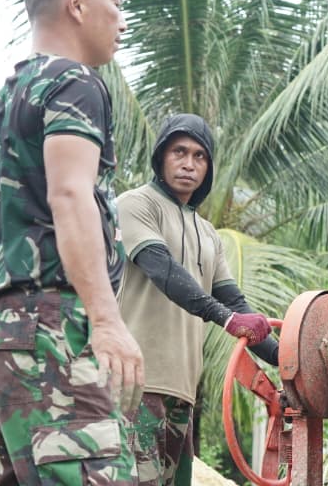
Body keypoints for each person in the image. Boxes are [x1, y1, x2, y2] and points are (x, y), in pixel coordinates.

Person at [0, 0, 141, 485]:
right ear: (77, 5)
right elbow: (70, 194)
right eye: (116, 3)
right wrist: (106, 320)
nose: (122, 21)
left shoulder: (4, 99)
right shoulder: (73, 83)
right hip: (44, 323)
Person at [117, 113, 279, 486]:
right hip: (135, 388)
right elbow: (163, 271)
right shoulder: (135, 205)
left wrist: (287, 358)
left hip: (182, 395)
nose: (189, 164)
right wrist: (227, 319)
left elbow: (236, 304)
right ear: (161, 156)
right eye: (179, 152)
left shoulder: (208, 233)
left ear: (208, 167)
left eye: (199, 156)